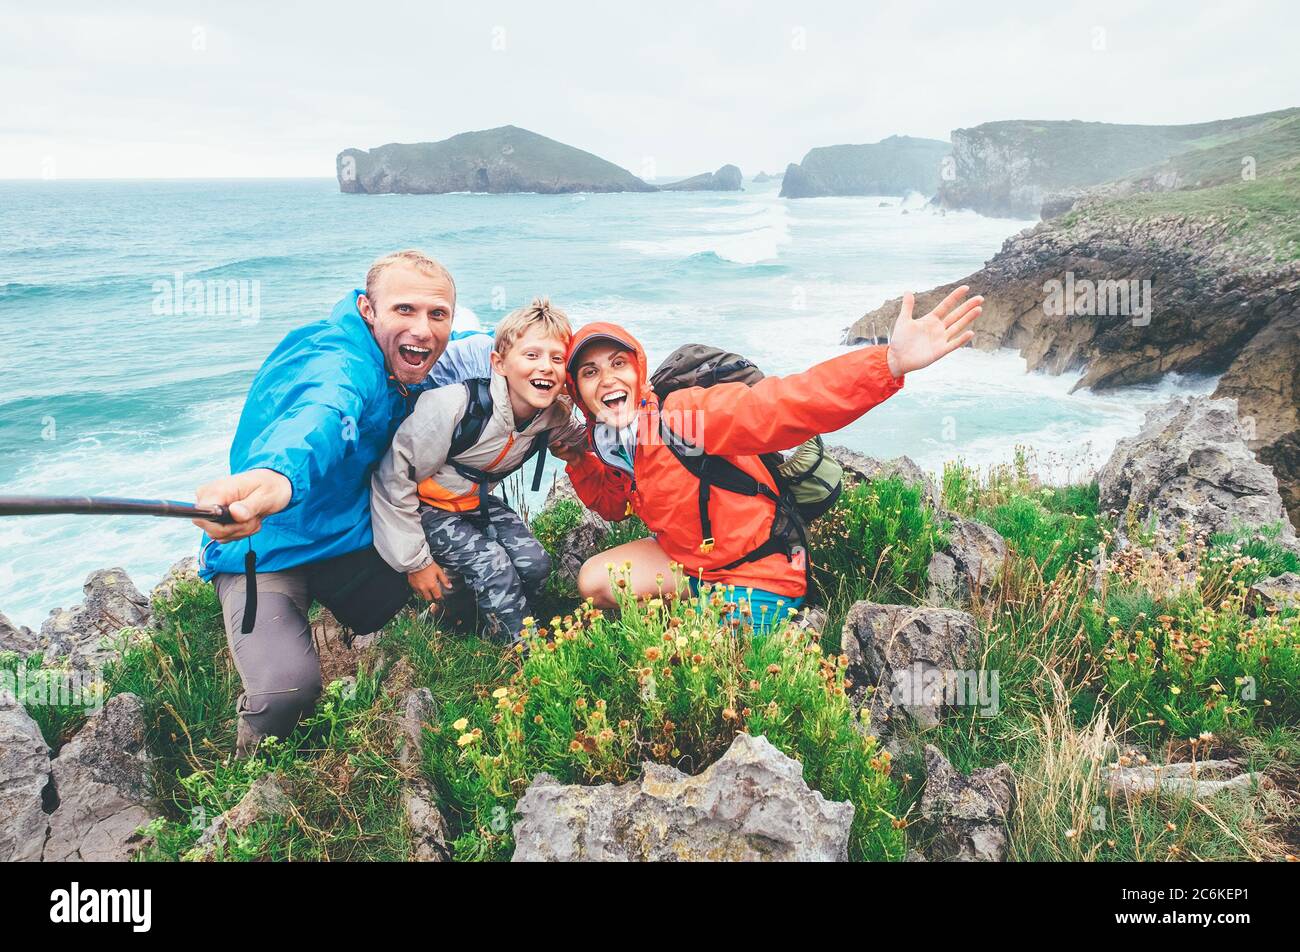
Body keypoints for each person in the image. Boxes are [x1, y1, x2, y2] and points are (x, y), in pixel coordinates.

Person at [191, 249, 490, 755]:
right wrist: (276, 478)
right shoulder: (340, 359)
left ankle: (394, 637)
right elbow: (322, 412)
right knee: (286, 693)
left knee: (463, 572)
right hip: (268, 543)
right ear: (367, 309)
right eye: (405, 310)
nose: (422, 329)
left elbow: (503, 349)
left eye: (437, 315)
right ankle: (253, 776)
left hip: (350, 535)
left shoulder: (417, 360)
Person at [551, 286, 983, 629]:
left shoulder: (684, 415)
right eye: (590, 372)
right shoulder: (615, 440)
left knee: (720, 681)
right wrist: (576, 458)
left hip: (758, 572)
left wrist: (887, 363)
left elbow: (783, 405)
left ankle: (741, 618)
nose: (607, 378)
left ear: (637, 370)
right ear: (578, 391)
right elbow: (614, 505)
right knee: (594, 582)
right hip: (694, 565)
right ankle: (691, 612)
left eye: (618, 364)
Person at [370, 299, 586, 643]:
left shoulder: (550, 417)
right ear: (499, 363)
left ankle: (482, 619)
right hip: (424, 510)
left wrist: (618, 406)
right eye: (531, 356)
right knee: (494, 566)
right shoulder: (453, 407)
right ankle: (520, 652)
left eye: (556, 359)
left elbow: (589, 440)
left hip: (474, 504)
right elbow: (391, 481)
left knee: (535, 565)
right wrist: (415, 562)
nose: (545, 367)